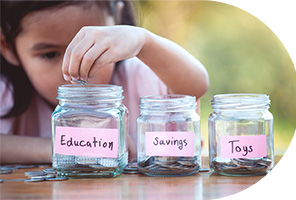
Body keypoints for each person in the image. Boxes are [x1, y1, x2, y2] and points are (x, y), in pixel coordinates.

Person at [0, 0, 209, 164]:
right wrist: (69, 146)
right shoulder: (7, 92)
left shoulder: (139, 75)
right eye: (50, 54)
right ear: (7, 47)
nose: (74, 69)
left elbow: (195, 86)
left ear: (116, 19)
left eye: (93, 50)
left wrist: (144, 41)